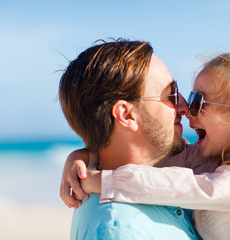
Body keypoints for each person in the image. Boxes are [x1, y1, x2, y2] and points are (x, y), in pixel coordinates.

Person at [62, 53, 230, 240]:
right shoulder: (211, 158)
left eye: (199, 101)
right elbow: (159, 164)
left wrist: (107, 181)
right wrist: (83, 156)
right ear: (126, 114)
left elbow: (184, 186)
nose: (186, 108)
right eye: (175, 95)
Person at [58, 39, 200, 239]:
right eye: (171, 94)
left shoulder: (171, 174)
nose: (183, 106)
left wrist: (82, 156)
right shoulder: (120, 230)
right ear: (126, 115)